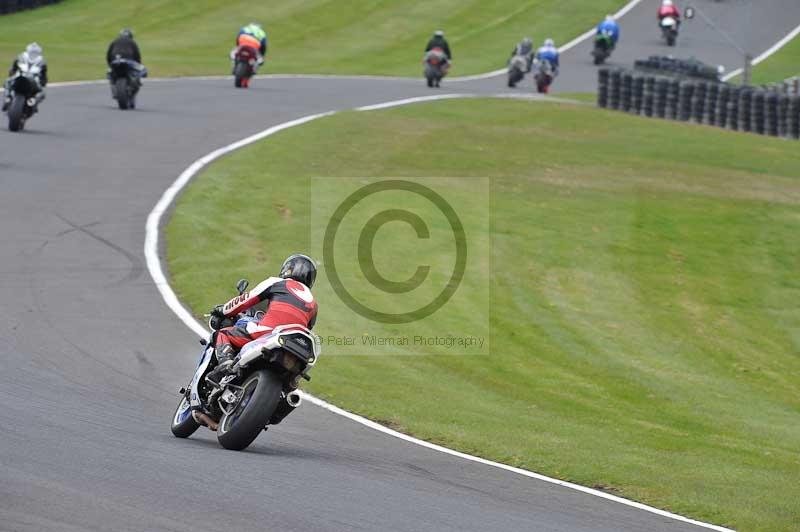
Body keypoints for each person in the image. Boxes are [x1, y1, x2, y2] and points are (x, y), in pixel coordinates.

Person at [205, 254, 319, 385]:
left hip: (267, 333)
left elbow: (245, 299)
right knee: (291, 383)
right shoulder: (314, 304)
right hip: (295, 344)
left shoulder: (276, 282)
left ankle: (225, 364)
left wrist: (223, 310)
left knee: (223, 334)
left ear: (288, 269)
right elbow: (308, 328)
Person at [3, 42, 47, 112]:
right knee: (7, 82)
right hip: (23, 79)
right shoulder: (40, 59)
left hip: (29, 81)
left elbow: (13, 69)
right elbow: (44, 76)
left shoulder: (23, 56)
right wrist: (43, 82)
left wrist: (11, 75)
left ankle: (32, 102)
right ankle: (8, 98)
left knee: (41, 93)